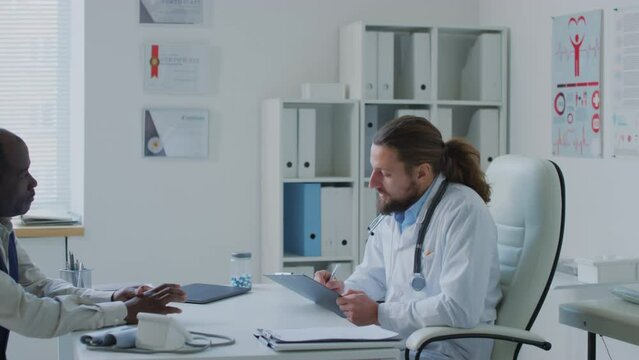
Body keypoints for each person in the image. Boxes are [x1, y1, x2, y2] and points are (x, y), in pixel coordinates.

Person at [314, 116, 502, 360]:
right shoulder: (397, 211)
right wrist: (343, 291)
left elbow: (459, 309)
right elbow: (374, 276)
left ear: (422, 173)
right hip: (402, 345)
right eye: (373, 170)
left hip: (447, 351)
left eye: (385, 173)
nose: (373, 183)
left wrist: (379, 314)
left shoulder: (463, 211)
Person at [0, 128, 187, 359]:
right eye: (23, 174)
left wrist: (112, 297)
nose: (34, 182)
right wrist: (125, 311)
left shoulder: (3, 226)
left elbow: (37, 286)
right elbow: (31, 314)